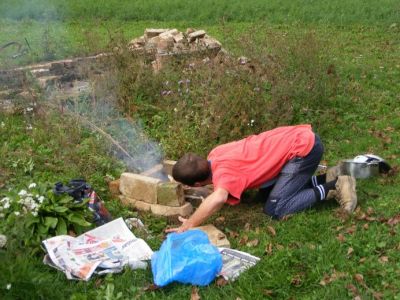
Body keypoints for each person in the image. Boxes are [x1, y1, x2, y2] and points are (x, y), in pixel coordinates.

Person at [166, 124, 357, 233]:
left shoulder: (225, 176)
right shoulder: (215, 154)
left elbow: (219, 197)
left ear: (198, 183)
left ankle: (336, 185)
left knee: (276, 208)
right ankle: (329, 176)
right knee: (267, 195)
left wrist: (190, 224)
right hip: (296, 137)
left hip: (303, 150)